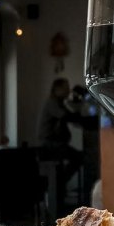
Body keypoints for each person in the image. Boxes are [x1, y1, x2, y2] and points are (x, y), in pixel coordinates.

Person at [37, 78, 84, 211]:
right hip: (50, 145)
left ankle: (60, 183)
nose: (68, 90)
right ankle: (59, 183)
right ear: (57, 89)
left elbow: (69, 116)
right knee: (78, 157)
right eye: (65, 88)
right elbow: (66, 116)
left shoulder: (58, 102)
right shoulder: (52, 103)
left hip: (55, 144)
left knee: (76, 158)